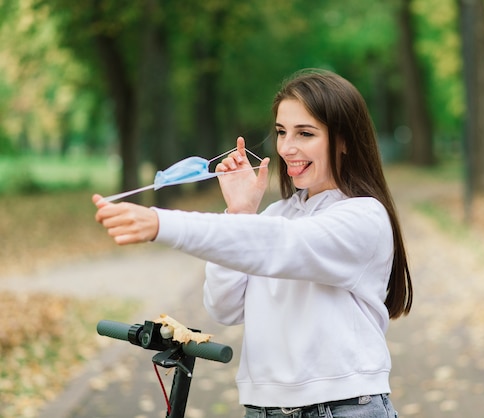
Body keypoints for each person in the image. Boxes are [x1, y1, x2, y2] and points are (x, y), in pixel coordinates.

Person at [93, 68, 412, 417]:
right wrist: (240, 212)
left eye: (305, 133)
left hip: (344, 408)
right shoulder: (277, 214)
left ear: (344, 140)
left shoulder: (363, 217)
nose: (287, 147)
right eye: (281, 132)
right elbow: (225, 307)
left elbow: (279, 246)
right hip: (263, 410)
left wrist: (161, 223)